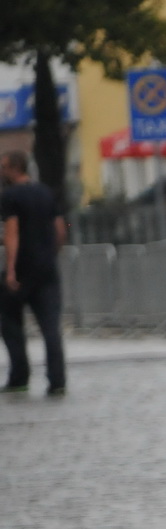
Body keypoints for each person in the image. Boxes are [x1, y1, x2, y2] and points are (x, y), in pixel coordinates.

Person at [0, 150, 66, 397]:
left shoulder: (10, 197)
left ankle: (19, 377)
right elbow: (60, 229)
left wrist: (11, 270)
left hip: (22, 269)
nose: (2, 172)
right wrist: (51, 254)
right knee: (51, 327)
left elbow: (12, 234)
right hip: (47, 269)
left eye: (4, 167)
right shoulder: (45, 192)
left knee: (10, 322)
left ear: (15, 168)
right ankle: (57, 381)